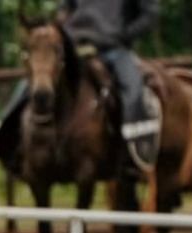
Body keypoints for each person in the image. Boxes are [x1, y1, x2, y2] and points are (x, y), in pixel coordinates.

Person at [63, 0, 159, 172]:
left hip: (114, 49)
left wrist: (123, 35)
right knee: (36, 85)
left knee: (134, 92)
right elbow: (65, 10)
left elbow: (149, 16)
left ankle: (134, 155)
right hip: (73, 49)